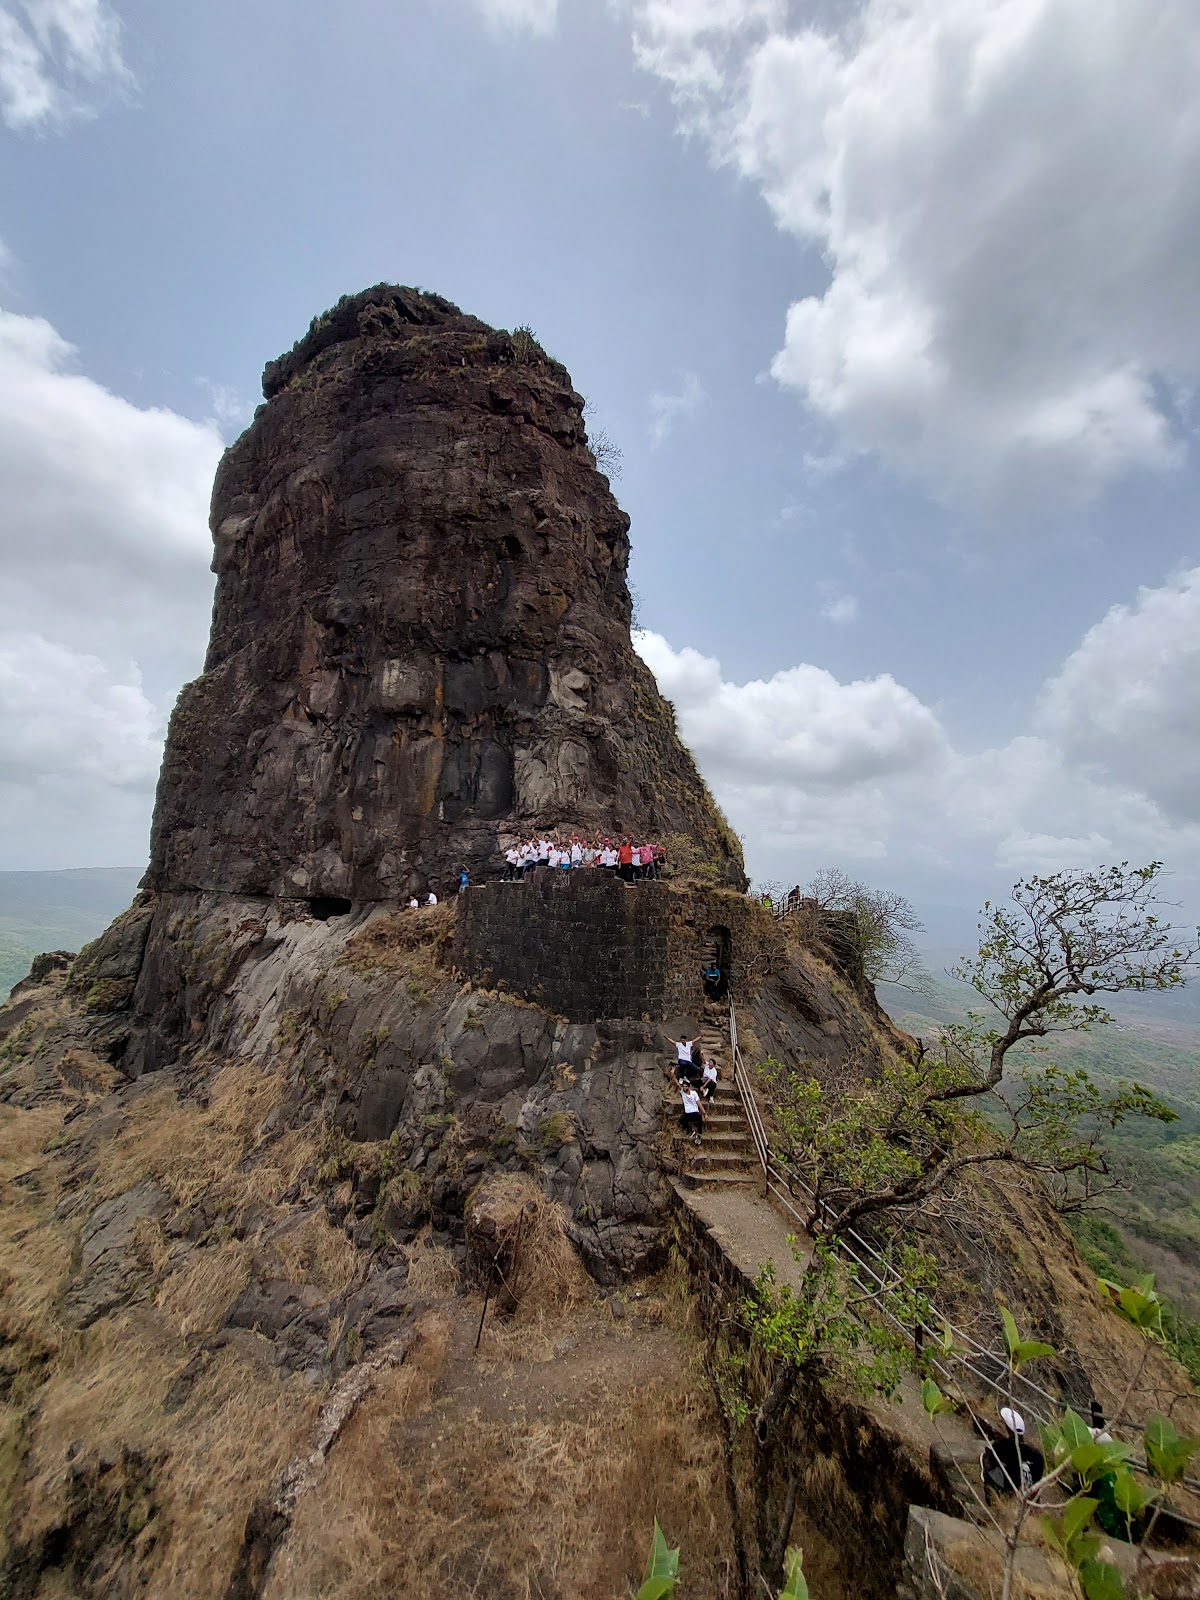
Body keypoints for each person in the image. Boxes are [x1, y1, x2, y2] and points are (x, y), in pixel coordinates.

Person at [980, 1408, 1044, 1501]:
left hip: (1010, 1486)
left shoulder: (1001, 1446)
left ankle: (993, 1495)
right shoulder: (1037, 1455)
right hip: (1028, 1492)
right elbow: (1038, 1479)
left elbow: (990, 1464)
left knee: (985, 1460)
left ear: (1007, 1428)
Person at [680, 1081, 704, 1146]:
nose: (684, 1088)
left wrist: (704, 1113)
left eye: (686, 1086)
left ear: (689, 1087)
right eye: (683, 1086)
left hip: (695, 1112)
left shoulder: (694, 1093)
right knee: (682, 1119)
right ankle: (690, 1130)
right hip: (687, 1113)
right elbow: (676, 1083)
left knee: (699, 1116)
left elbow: (699, 1103)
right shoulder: (683, 1093)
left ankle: (699, 1134)